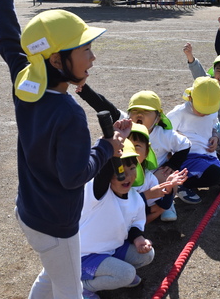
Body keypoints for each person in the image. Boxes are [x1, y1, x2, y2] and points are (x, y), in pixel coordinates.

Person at [0, 0, 130, 299]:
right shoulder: (68, 112)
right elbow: (74, 175)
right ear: (57, 59)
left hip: (31, 211)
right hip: (55, 219)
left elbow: (8, 40)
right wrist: (107, 147)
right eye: (84, 50)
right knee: (70, 293)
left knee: (56, 273)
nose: (93, 57)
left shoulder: (26, 83)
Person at [75, 87, 192, 222]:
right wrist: (84, 91)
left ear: (158, 117)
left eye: (146, 111)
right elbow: (104, 105)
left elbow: (185, 144)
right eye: (135, 111)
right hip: (129, 172)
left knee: (167, 176)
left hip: (152, 174)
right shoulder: (126, 124)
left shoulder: (165, 135)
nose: (139, 115)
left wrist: (172, 164)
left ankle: (165, 204)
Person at [79, 140, 154, 299]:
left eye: (132, 168)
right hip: (84, 256)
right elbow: (102, 175)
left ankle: (113, 273)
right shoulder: (98, 193)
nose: (126, 176)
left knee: (147, 255)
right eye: (119, 171)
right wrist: (111, 145)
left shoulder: (135, 198)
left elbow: (135, 224)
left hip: (112, 249)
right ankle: (83, 287)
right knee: (126, 274)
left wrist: (138, 238)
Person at [166, 76, 220, 204]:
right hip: (188, 156)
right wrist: (175, 142)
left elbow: (215, 125)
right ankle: (182, 183)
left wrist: (215, 136)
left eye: (208, 110)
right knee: (216, 175)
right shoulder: (179, 113)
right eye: (201, 109)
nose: (205, 113)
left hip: (207, 154)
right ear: (190, 98)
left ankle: (195, 176)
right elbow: (163, 132)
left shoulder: (212, 111)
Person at [128, 123, 188, 223]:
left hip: (133, 214)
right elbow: (119, 204)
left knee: (159, 209)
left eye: (137, 145)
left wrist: (168, 186)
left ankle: (136, 228)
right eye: (126, 145)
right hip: (114, 215)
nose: (131, 150)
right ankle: (130, 230)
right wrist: (146, 195)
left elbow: (164, 205)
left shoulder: (149, 177)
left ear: (147, 152)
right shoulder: (114, 175)